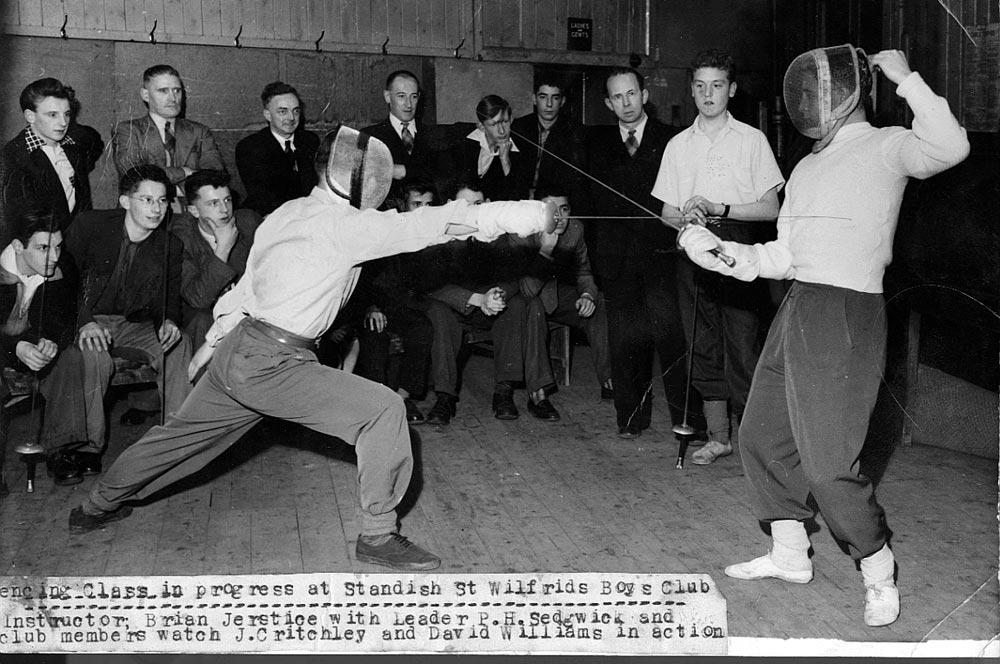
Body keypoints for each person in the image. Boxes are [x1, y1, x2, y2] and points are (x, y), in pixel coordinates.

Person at [68, 126, 556, 572]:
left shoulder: (288, 212)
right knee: (382, 410)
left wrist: (211, 344)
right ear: (359, 177)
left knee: (177, 438)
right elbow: (433, 225)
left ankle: (95, 507)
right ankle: (379, 535)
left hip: (240, 350)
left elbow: (247, 288)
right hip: (273, 361)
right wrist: (526, 212)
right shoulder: (347, 226)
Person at [677, 46, 969, 626]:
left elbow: (952, 146)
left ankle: (879, 573)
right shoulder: (807, 165)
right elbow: (784, 255)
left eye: (819, 89)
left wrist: (906, 80)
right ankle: (790, 554)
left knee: (829, 465)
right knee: (761, 434)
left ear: (848, 91)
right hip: (799, 304)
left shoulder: (888, 145)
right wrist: (724, 254)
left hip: (847, 311)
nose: (809, 101)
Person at [652, 50, 784, 464]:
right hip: (693, 249)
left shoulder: (752, 140)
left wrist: (720, 208)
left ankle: (752, 443)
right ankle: (719, 437)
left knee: (742, 344)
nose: (708, 94)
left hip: (739, 247)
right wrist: (686, 217)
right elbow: (666, 212)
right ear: (691, 90)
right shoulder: (677, 145)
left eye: (717, 85)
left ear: (732, 89)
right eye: (700, 86)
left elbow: (771, 208)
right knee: (702, 345)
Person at [586, 67, 696, 439]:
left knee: (671, 338)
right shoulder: (596, 145)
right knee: (624, 341)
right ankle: (631, 420)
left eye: (631, 94)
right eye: (617, 97)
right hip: (617, 261)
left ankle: (687, 421)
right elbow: (592, 210)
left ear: (645, 95)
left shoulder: (673, 140)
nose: (626, 103)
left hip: (663, 257)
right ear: (608, 103)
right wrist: (599, 262)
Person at [66, 164, 192, 433]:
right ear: (125, 201)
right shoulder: (90, 226)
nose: (156, 209)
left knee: (178, 344)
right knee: (94, 356)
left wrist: (169, 320)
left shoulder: (169, 244)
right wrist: (84, 321)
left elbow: (168, 295)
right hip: (87, 320)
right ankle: (88, 446)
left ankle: (176, 436)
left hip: (132, 324)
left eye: (162, 201)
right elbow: (64, 283)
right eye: (147, 200)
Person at [0, 208, 110, 485]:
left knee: (70, 356)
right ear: (17, 246)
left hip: (33, 346)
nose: (54, 257)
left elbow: (64, 320)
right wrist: (17, 347)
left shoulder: (63, 266)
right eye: (43, 248)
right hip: (5, 347)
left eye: (58, 246)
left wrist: (50, 341)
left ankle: (60, 451)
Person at [502, 186, 612, 399]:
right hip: (522, 300)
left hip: (553, 295)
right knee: (533, 308)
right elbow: (526, 290)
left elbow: (584, 271)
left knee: (600, 302)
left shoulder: (575, 229)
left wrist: (587, 295)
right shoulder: (520, 233)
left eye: (564, 209)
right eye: (552, 211)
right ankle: (539, 393)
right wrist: (545, 252)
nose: (560, 217)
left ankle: (610, 380)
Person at [354, 179, 439, 423]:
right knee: (374, 334)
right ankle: (377, 403)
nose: (422, 210)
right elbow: (363, 279)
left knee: (422, 329)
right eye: (416, 204)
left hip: (401, 305)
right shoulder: (384, 230)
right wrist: (371, 307)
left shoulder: (429, 235)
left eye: (428, 204)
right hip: (370, 305)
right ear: (403, 205)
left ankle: (402, 398)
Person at [112, 64, 226, 209]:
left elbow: (214, 177)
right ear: (146, 95)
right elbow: (135, 175)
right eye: (163, 91)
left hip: (192, 214)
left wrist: (167, 180)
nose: (173, 98)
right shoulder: (128, 130)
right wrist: (184, 172)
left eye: (177, 91)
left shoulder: (200, 131)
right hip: (143, 215)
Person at [171, 170, 261, 349]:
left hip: (246, 308)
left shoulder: (248, 222)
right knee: (202, 319)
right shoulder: (180, 238)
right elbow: (198, 298)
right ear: (194, 211)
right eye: (213, 203)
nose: (224, 210)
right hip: (206, 315)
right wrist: (223, 249)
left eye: (227, 200)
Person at [0, 78, 92, 241]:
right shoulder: (13, 157)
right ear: (30, 116)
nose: (63, 123)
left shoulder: (73, 149)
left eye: (67, 114)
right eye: (52, 115)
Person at [235, 81, 320, 217]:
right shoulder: (250, 147)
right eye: (283, 111)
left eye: (296, 111)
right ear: (268, 115)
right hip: (272, 218)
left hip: (311, 214)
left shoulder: (310, 140)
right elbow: (264, 198)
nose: (291, 118)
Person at [361, 70, 435, 209]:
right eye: (401, 96)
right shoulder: (370, 137)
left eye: (413, 97)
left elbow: (440, 175)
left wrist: (404, 171)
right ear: (387, 96)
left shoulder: (433, 135)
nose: (409, 104)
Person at [511, 74, 587, 202]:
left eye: (555, 98)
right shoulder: (518, 127)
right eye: (543, 97)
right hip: (520, 200)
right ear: (534, 99)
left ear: (562, 101)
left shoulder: (575, 131)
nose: (549, 104)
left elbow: (575, 182)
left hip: (555, 201)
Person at [446, 95, 531, 203]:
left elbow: (519, 200)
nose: (502, 131)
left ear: (511, 120)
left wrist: (505, 161)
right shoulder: (462, 144)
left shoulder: (521, 151)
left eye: (505, 122)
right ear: (481, 126)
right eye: (493, 124)